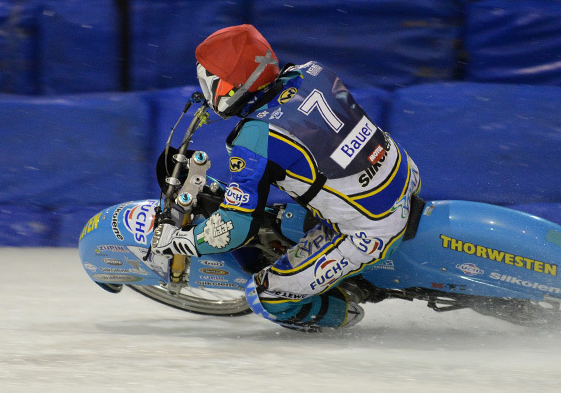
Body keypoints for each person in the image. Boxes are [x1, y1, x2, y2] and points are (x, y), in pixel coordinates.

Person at [151, 24, 421, 331]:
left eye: (212, 81)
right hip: (402, 172)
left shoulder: (253, 139)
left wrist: (182, 241)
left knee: (266, 296)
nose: (207, 90)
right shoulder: (313, 71)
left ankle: (345, 317)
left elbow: (234, 228)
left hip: (373, 224)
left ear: (235, 86)